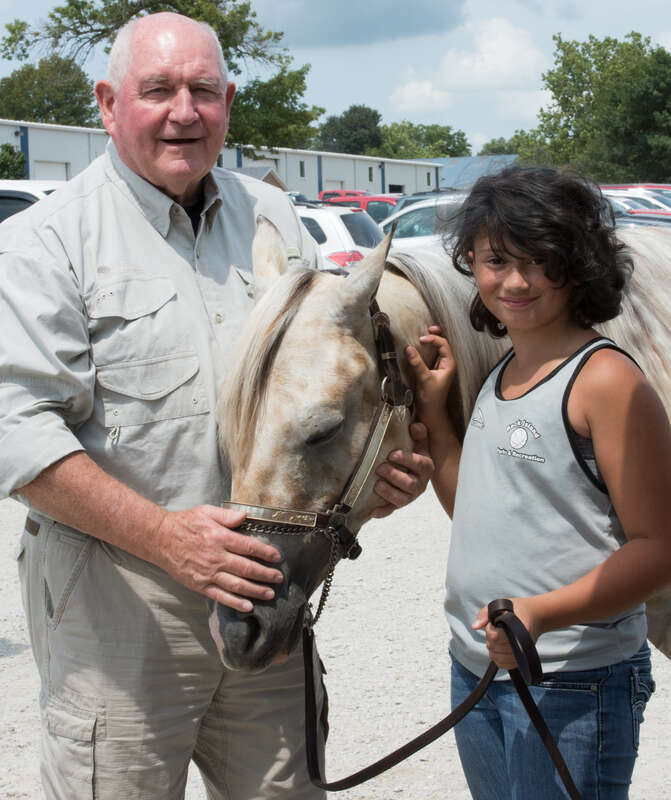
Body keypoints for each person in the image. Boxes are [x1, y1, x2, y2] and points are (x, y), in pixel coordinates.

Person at [0, 12, 433, 800]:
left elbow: (323, 387)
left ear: (228, 101)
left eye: (203, 90)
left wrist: (370, 488)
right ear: (106, 103)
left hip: (268, 590)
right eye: (157, 90)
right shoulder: (44, 243)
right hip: (119, 605)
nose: (183, 111)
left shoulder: (271, 219)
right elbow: (19, 434)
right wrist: (169, 539)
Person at [406, 165, 671, 799]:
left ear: (579, 264)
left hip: (573, 680)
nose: (517, 281)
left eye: (541, 260)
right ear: (470, 262)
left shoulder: (604, 381)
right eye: (496, 259)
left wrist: (540, 615)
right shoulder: (503, 375)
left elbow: (658, 550)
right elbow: (476, 513)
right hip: (479, 669)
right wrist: (441, 423)